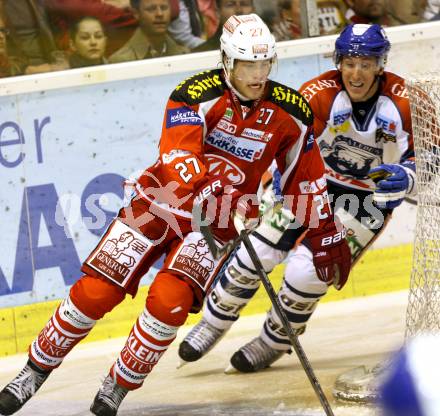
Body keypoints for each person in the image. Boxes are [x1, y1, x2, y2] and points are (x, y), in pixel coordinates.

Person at [0, 13, 350, 416]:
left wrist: (324, 230)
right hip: (159, 203)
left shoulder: (291, 112)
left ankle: (118, 384)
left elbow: (303, 179)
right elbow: (178, 155)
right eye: (247, 64)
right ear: (227, 61)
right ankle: (34, 370)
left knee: (170, 302)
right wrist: (210, 187)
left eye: (263, 64)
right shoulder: (193, 93)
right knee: (95, 291)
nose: (256, 74)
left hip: (217, 220)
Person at [178, 23, 416, 374]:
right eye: (349, 62)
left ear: (381, 64)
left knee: (307, 272)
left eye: (366, 63)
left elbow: (430, 156)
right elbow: (290, 144)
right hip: (314, 187)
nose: (356, 72)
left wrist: (407, 177)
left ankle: (273, 342)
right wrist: (273, 180)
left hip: (367, 201)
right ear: (337, 62)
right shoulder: (317, 93)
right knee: (255, 251)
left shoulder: (407, 100)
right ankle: (213, 323)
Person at [109, 0, 188, 63]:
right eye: (151, 9)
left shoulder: (184, 54)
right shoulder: (121, 61)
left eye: (164, 8)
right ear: (136, 13)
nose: (160, 14)